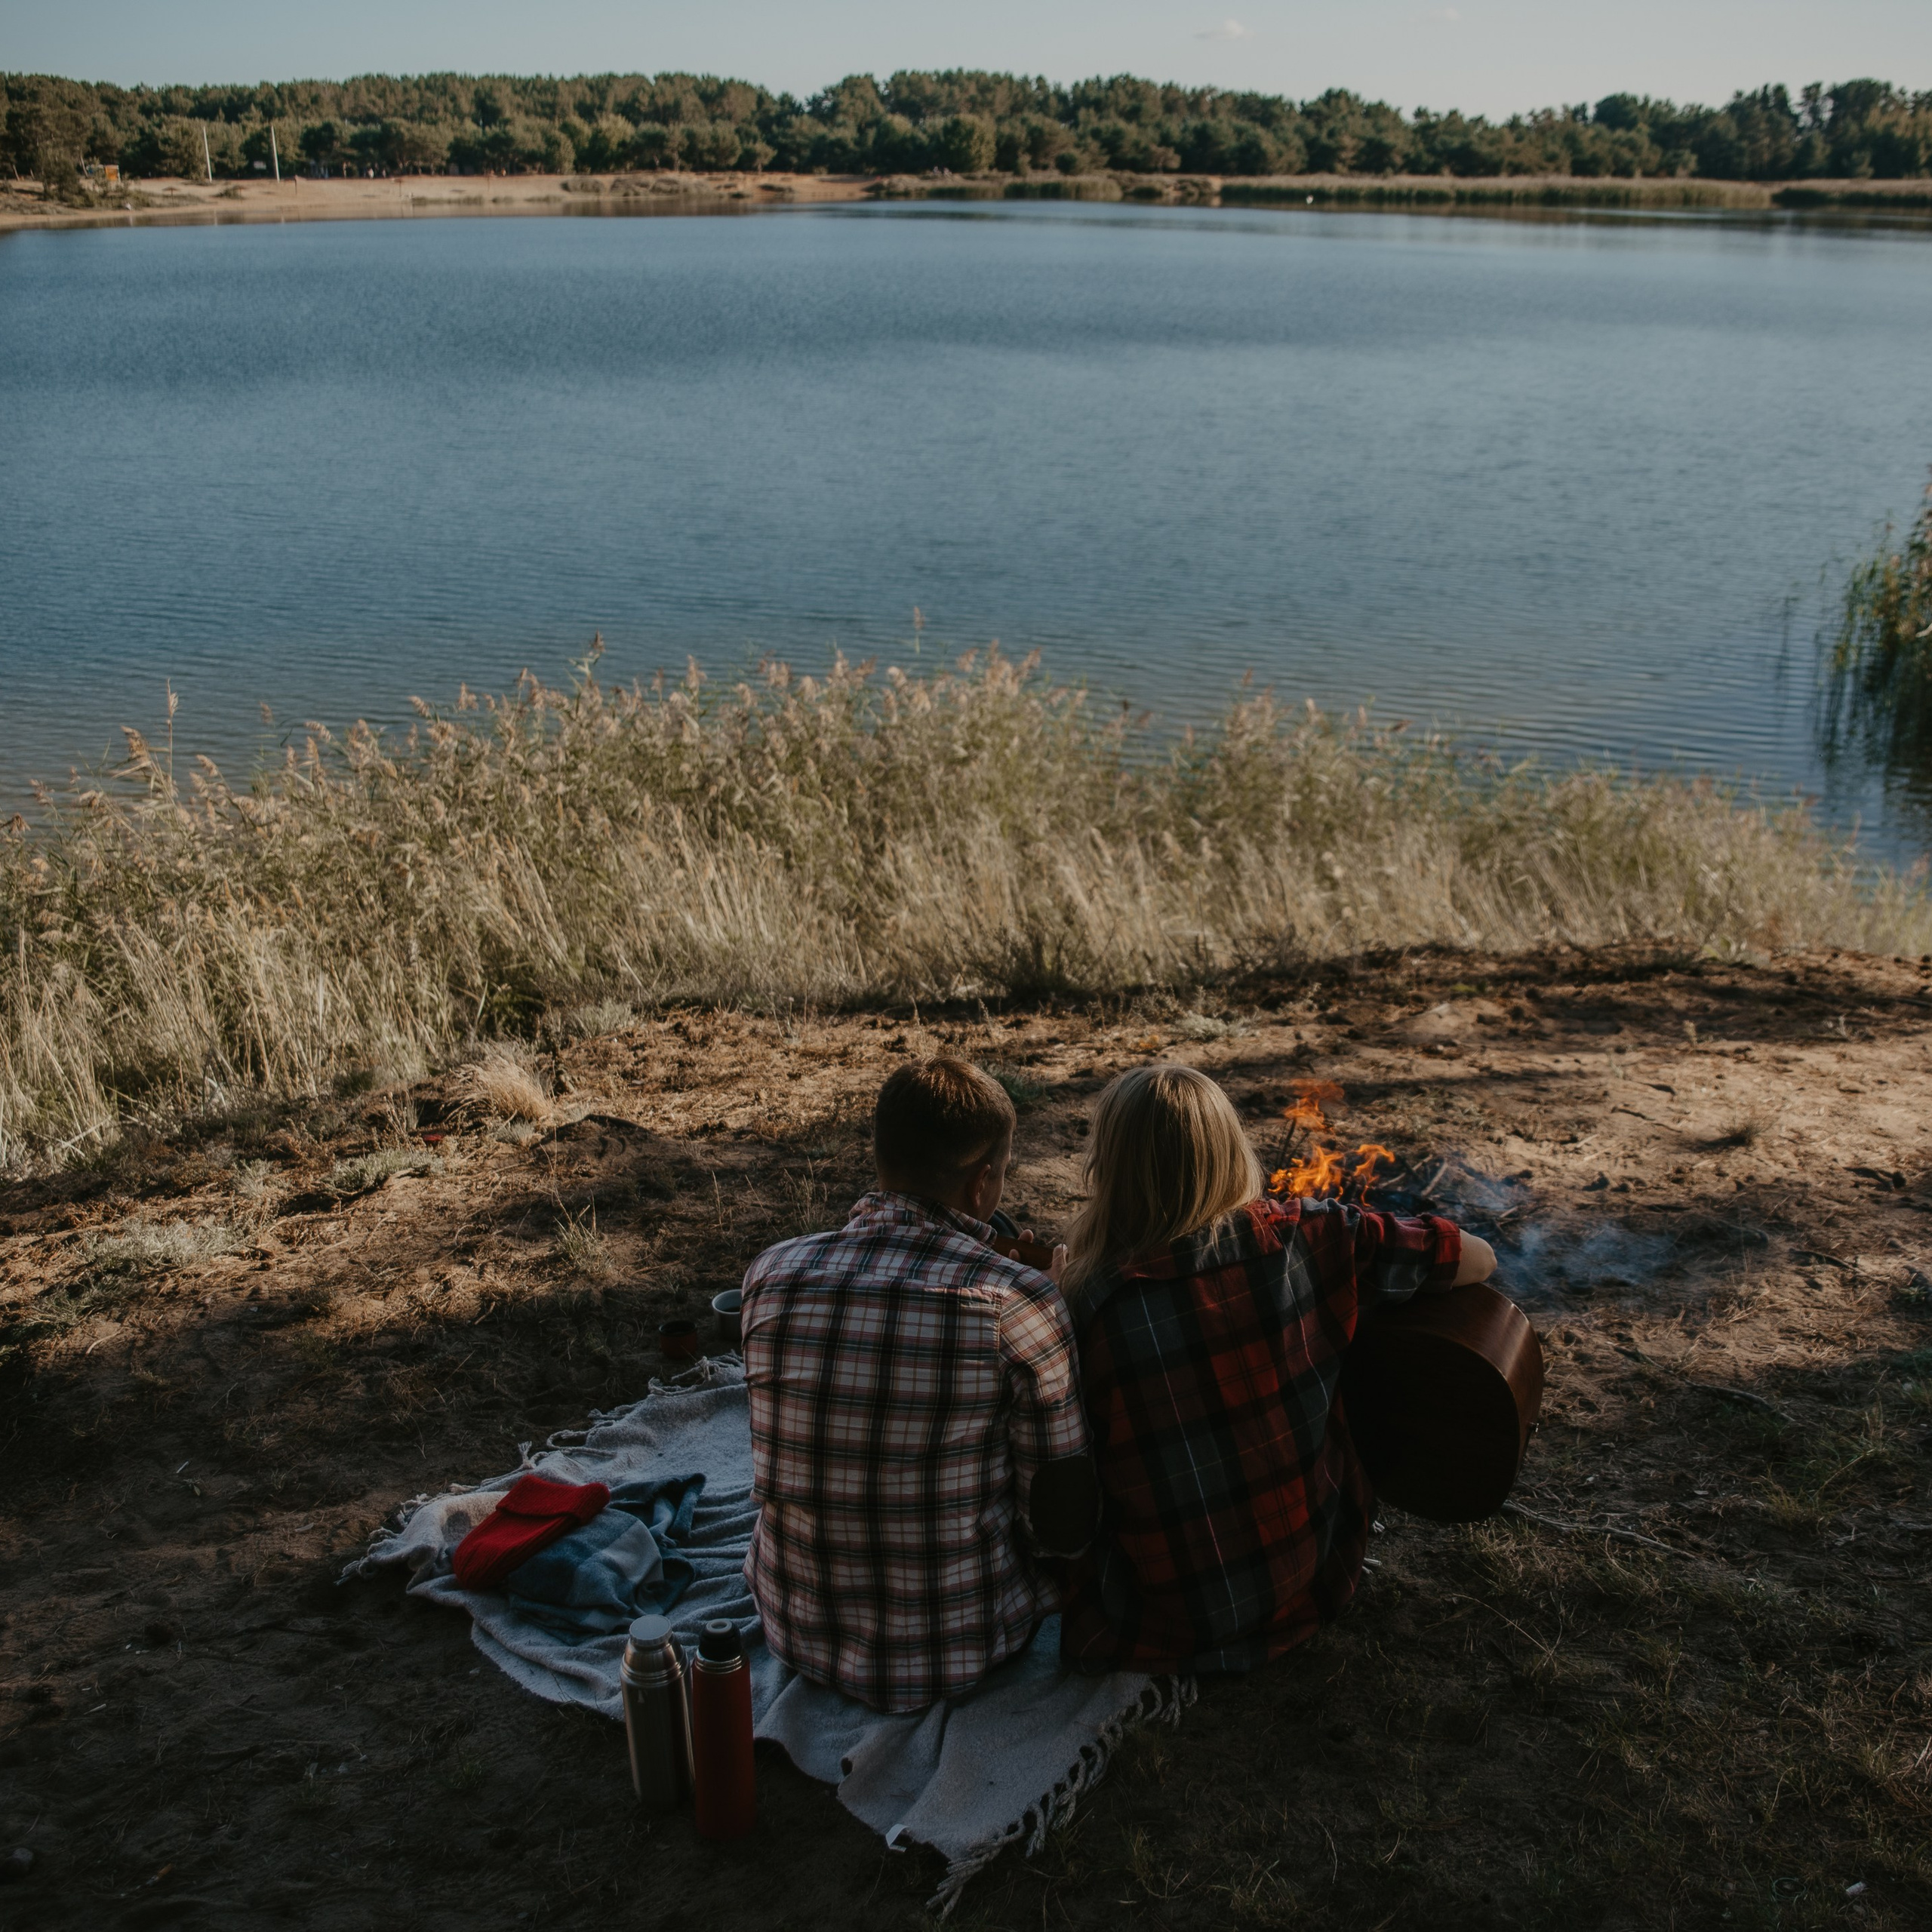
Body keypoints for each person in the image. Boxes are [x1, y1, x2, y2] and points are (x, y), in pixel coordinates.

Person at [1057, 1064, 1495, 1675]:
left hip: (1162, 1619)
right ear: (1231, 1150)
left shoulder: (1089, 1301)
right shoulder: (1311, 1234)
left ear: (1110, 1171)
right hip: (1308, 1579)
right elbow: (1478, 1257)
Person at [739, 1057, 1097, 1713]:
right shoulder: (1019, 1302)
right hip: (962, 1646)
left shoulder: (770, 1274)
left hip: (795, 1628)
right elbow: (1060, 1525)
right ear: (984, 1182)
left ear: (882, 1155)